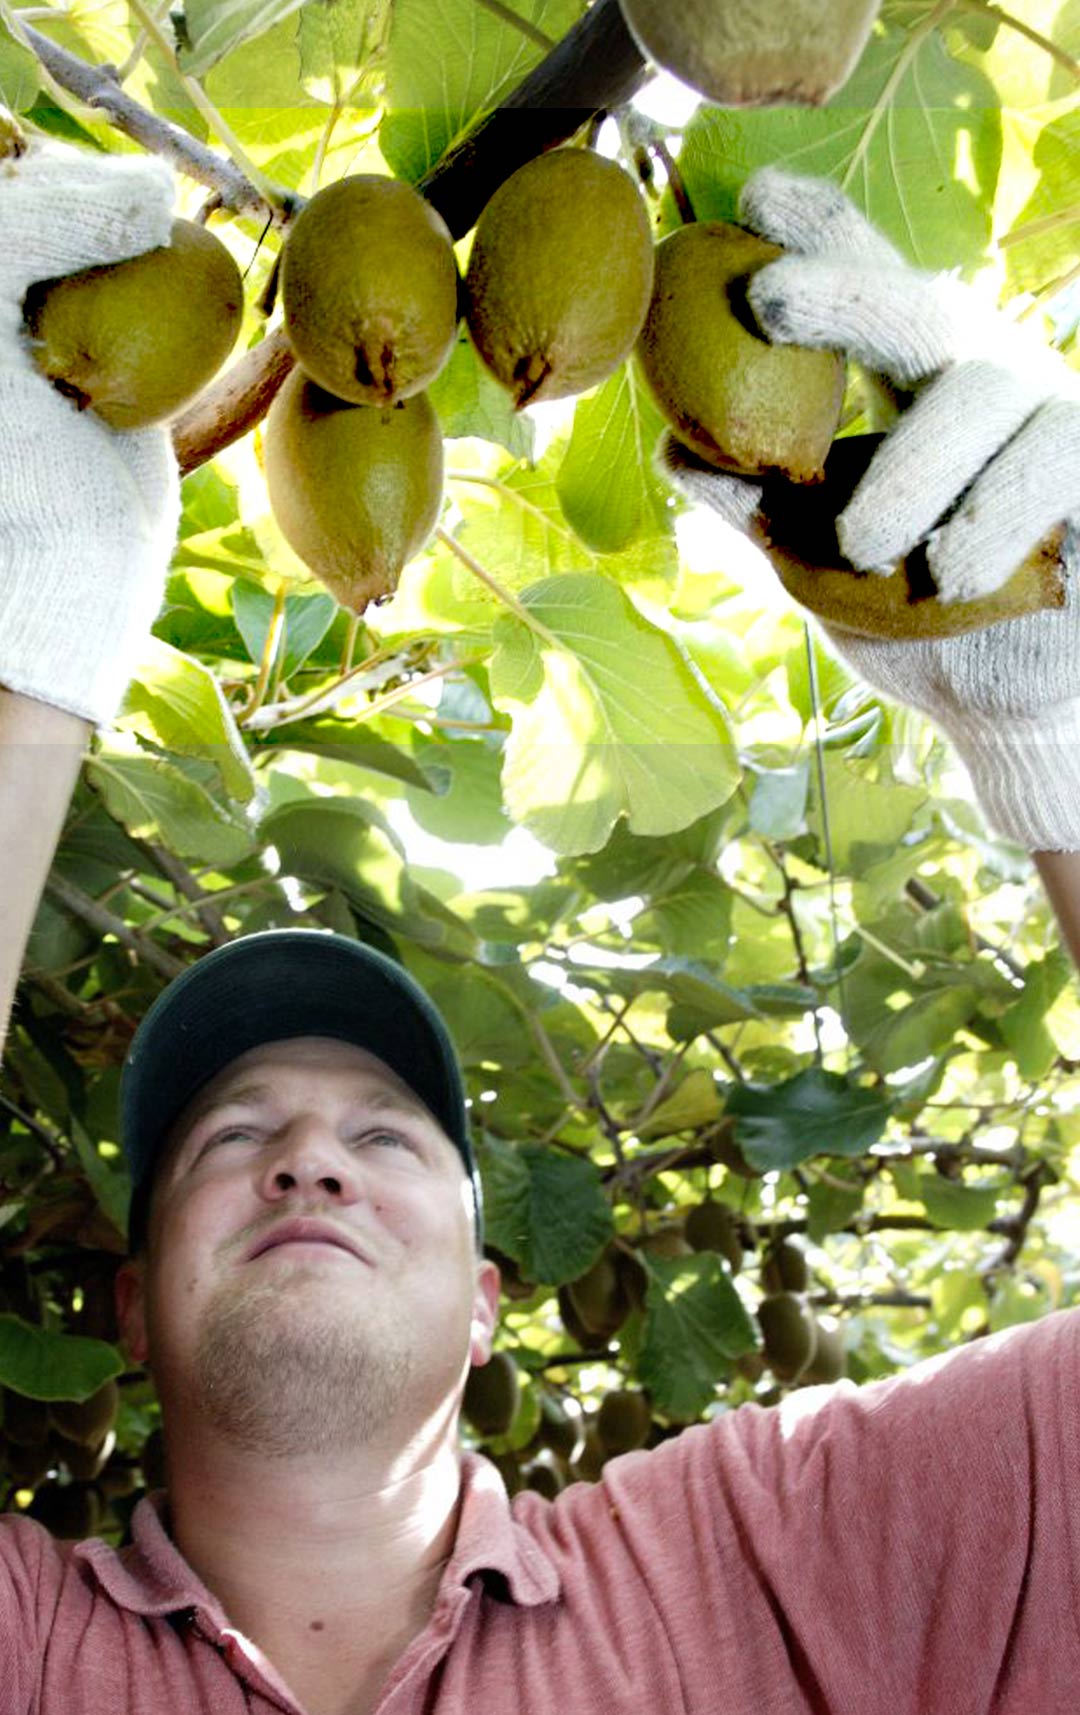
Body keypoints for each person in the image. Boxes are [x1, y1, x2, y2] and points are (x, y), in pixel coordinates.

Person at [2, 139, 1080, 1715]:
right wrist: (24, 685)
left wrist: (1066, 748)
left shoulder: (778, 1563)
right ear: (129, 1309)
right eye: (231, 1139)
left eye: (384, 1139)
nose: (308, 1157)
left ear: (491, 1294)